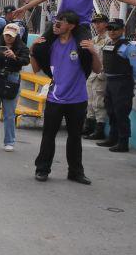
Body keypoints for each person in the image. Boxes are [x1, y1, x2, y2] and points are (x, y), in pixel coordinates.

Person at [29, 10, 102, 184]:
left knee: (75, 137)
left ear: (71, 26)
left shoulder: (81, 46)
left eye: (62, 21)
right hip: (55, 99)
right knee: (48, 136)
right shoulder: (50, 44)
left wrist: (94, 52)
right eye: (56, 20)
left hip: (77, 100)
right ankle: (42, 169)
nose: (57, 23)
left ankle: (75, 172)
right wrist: (33, 50)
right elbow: (35, 69)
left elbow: (98, 70)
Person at [0, 22, 30, 153]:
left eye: (11, 35)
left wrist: (15, 57)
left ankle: (9, 141)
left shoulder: (22, 47)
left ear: (17, 35)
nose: (8, 37)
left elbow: (26, 60)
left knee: (9, 112)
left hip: (12, 78)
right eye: (7, 34)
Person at [96, 17, 136, 153]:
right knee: (110, 110)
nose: (112, 31)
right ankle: (112, 138)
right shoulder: (109, 44)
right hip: (110, 82)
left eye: (115, 28)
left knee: (121, 112)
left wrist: (129, 80)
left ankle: (123, 142)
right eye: (109, 28)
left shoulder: (128, 47)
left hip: (122, 82)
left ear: (123, 30)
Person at [83, 14, 110, 140]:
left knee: (99, 102)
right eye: (95, 22)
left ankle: (99, 129)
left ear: (106, 23)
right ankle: (89, 126)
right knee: (90, 101)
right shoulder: (94, 39)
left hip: (101, 74)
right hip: (92, 74)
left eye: (100, 22)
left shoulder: (109, 39)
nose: (97, 25)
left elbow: (107, 60)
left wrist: (102, 74)